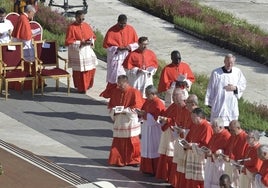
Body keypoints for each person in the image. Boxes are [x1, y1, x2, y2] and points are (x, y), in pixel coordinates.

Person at [108, 75, 144, 167]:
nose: (119, 86)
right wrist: (114, 110)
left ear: (126, 83)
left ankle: (134, 160)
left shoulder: (134, 92)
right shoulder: (116, 91)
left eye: (121, 84)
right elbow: (111, 106)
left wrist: (125, 110)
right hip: (120, 120)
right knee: (119, 141)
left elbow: (137, 107)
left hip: (130, 120)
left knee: (132, 141)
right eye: (118, 83)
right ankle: (118, 159)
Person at [100, 14, 139, 98]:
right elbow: (107, 47)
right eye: (121, 24)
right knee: (116, 77)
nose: (123, 26)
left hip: (127, 56)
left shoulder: (130, 29)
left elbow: (136, 44)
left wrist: (129, 47)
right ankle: (114, 94)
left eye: (124, 24)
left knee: (127, 77)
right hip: (116, 57)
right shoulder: (111, 31)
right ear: (118, 22)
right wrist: (117, 48)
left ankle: (124, 94)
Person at [155, 88, 188, 182]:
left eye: (175, 96)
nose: (173, 98)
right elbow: (167, 114)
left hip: (175, 135)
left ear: (182, 97)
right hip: (169, 132)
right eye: (173, 96)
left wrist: (168, 120)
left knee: (173, 157)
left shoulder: (184, 108)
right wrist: (164, 118)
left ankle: (173, 179)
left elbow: (177, 120)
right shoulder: (174, 105)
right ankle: (166, 176)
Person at [205, 54, 247, 127]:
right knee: (217, 126)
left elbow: (243, 84)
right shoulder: (216, 73)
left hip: (231, 104)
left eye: (231, 62)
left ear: (234, 63)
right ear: (224, 61)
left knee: (231, 126)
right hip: (219, 104)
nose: (229, 64)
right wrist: (209, 102)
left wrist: (235, 88)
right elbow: (210, 88)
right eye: (228, 62)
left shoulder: (237, 72)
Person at [65, 10, 98, 94]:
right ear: (76, 18)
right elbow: (68, 42)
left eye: (83, 19)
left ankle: (88, 85)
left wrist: (91, 41)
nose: (81, 21)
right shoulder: (71, 27)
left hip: (87, 50)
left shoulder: (86, 25)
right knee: (80, 72)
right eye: (79, 19)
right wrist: (80, 42)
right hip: (78, 52)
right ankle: (81, 87)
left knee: (91, 69)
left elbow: (93, 37)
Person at [136, 85, 165, 175]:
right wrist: (140, 113)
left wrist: (145, 115)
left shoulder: (158, 103)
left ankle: (153, 170)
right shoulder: (148, 101)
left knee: (153, 148)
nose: (146, 96)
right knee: (146, 147)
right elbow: (143, 110)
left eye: (148, 94)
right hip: (146, 128)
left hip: (154, 130)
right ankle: (146, 168)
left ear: (153, 94)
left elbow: (157, 119)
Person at [184, 107, 213, 188]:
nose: (192, 119)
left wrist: (192, 145)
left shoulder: (206, 127)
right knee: (192, 178)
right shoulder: (195, 125)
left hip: (200, 158)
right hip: (193, 155)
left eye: (193, 117)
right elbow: (189, 138)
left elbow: (205, 144)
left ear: (199, 117)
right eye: (191, 117)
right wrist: (186, 144)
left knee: (200, 179)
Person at [205, 117, 231, 188]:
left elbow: (227, 152)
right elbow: (210, 145)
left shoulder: (227, 136)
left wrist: (219, 152)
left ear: (220, 127)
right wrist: (208, 151)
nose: (212, 128)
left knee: (217, 183)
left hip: (219, 164)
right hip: (211, 162)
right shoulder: (215, 134)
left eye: (213, 126)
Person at [223, 120, 248, 187]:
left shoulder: (245, 138)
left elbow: (246, 155)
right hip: (231, 165)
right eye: (230, 130)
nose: (230, 132)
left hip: (239, 168)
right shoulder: (232, 135)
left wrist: (234, 161)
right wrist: (226, 155)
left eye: (232, 130)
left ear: (238, 128)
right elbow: (228, 149)